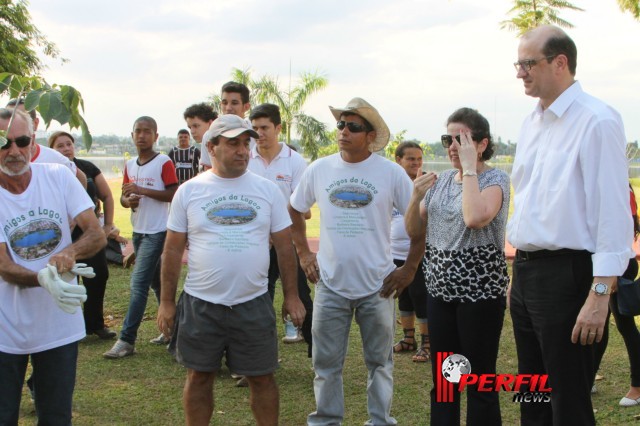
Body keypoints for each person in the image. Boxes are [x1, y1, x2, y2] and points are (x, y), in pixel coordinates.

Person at [507, 25, 634, 425]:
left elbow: (613, 214)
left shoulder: (596, 120)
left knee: (567, 398)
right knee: (533, 392)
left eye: (528, 63)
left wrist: (599, 296)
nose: (520, 73)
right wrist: (519, 272)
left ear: (560, 63)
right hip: (527, 272)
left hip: (568, 273)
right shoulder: (531, 123)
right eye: (518, 64)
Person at [156, 114, 305, 425]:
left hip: (253, 302)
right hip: (201, 304)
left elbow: (284, 247)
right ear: (211, 146)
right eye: (233, 143)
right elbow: (171, 250)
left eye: (246, 143)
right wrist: (167, 302)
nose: (243, 150)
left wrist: (291, 297)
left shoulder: (267, 191)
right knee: (199, 377)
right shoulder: (190, 191)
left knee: (262, 378)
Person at [289, 97, 422, 425]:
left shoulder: (391, 173)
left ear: (369, 134)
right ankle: (326, 420)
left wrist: (409, 269)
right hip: (330, 285)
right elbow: (294, 209)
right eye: (340, 125)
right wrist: (305, 253)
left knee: (380, 363)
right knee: (325, 365)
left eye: (353, 127)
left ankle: (380, 421)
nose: (343, 131)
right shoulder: (319, 169)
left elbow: (419, 222)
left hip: (378, 287)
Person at [0, 108, 105, 424]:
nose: (14, 151)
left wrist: (70, 252)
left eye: (22, 141)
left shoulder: (59, 177)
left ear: (33, 142)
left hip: (59, 325)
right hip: (5, 329)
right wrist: (45, 277)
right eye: (4, 143)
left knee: (56, 417)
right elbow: (4, 265)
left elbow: (95, 234)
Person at [405, 108, 509, 425]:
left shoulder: (494, 179)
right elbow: (413, 230)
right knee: (446, 380)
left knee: (478, 379)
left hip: (480, 295)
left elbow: (475, 218)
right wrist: (414, 196)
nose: (451, 146)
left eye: (460, 139)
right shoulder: (441, 181)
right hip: (439, 293)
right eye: (447, 138)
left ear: (481, 144)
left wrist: (469, 172)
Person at [104, 116, 178, 358]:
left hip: (158, 231)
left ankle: (127, 339)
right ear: (132, 134)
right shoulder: (129, 165)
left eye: (147, 131)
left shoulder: (163, 162)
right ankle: (172, 332)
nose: (142, 135)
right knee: (157, 283)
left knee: (138, 284)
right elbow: (125, 198)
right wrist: (129, 200)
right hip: (139, 231)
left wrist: (142, 190)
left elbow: (173, 193)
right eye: (138, 131)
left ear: (156, 136)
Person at [248, 103, 313, 352]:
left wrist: (277, 230)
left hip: (287, 242)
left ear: (278, 128)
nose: (259, 133)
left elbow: (302, 209)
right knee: (256, 299)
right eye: (254, 128)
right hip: (255, 244)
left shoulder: (295, 162)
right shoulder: (246, 158)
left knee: (300, 297)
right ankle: (258, 358)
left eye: (264, 127)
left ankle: (318, 356)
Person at [49, 131, 116, 340]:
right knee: (65, 278)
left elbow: (106, 196)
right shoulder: (49, 171)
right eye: (60, 146)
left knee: (98, 275)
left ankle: (95, 324)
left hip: (89, 232)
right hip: (63, 234)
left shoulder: (86, 167)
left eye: (69, 144)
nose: (66, 148)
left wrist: (108, 225)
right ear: (52, 150)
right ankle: (67, 328)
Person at [592, 184, 640, 406]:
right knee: (597, 325)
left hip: (618, 266)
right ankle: (588, 377)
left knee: (625, 327)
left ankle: (637, 388)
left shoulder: (619, 184)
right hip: (598, 265)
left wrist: (613, 274)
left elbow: (627, 226)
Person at [391, 141, 430, 362]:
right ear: (399, 160)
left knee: (420, 295)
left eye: (418, 158)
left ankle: (427, 343)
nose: (415, 163)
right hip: (395, 253)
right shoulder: (393, 183)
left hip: (421, 253)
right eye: (410, 159)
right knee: (403, 296)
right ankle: (408, 339)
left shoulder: (427, 184)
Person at [6, 98, 88, 189]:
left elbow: (81, 178)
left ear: (35, 123)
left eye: (22, 119)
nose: (15, 124)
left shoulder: (55, 159)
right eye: (10, 120)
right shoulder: (3, 157)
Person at [199, 81, 252, 170]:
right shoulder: (209, 135)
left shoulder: (256, 134)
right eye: (225, 103)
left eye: (234, 103)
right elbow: (208, 170)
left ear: (246, 107)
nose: (228, 108)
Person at [183, 103, 217, 172]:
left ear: (210, 123)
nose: (192, 131)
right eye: (190, 127)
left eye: (196, 126)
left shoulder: (217, 146)